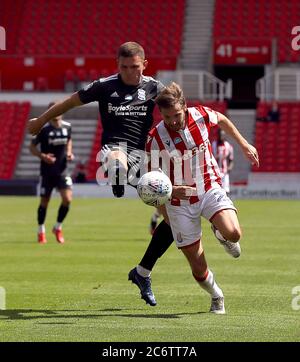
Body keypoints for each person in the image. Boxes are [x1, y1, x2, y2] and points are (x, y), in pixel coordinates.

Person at [28, 42, 174, 305]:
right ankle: (117, 175)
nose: (130, 72)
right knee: (116, 159)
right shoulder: (104, 86)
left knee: (174, 222)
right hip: (114, 149)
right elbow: (69, 103)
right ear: (117, 65)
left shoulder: (154, 87)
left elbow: (177, 108)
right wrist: (40, 121)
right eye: (124, 67)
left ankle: (143, 272)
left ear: (145, 65)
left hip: (144, 157)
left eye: (135, 67)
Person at [131, 82, 259, 313]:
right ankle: (216, 295)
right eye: (168, 116)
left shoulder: (200, 115)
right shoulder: (155, 138)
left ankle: (220, 232)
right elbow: (150, 182)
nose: (173, 121)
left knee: (234, 233)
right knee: (199, 269)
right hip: (179, 204)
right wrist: (168, 198)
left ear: (185, 107)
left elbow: (221, 119)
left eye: (177, 115)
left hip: (209, 187)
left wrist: (243, 144)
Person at [29, 102, 74, 244]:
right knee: (45, 201)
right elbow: (31, 147)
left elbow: (69, 140)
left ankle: (57, 227)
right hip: (47, 172)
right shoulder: (44, 129)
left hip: (62, 170)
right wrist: (43, 156)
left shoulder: (67, 127)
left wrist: (69, 152)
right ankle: (40, 230)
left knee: (67, 199)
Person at [212, 128, 234, 194]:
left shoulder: (228, 146)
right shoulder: (213, 144)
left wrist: (229, 168)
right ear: (218, 135)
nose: (221, 136)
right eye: (220, 134)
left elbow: (231, 160)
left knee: (226, 190)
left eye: (223, 134)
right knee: (215, 191)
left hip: (224, 172)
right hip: (215, 172)